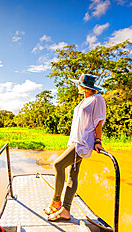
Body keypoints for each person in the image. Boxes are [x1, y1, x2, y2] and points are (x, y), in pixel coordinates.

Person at [43, 73, 106, 221]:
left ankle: (56, 202)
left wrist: (98, 141)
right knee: (73, 174)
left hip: (84, 142)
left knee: (58, 165)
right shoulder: (84, 101)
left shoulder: (97, 99)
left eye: (79, 84)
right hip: (75, 141)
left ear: (83, 86)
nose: (77, 86)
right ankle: (66, 210)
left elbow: (99, 122)